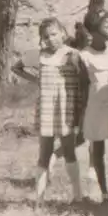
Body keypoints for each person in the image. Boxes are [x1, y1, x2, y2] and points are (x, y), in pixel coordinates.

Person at [13, 18, 87, 203]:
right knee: (44, 152)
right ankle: (39, 198)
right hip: (46, 108)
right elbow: (16, 67)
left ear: (63, 33)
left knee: (69, 150)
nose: (51, 39)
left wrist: (81, 108)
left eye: (54, 34)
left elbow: (83, 82)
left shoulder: (73, 54)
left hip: (66, 108)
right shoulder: (39, 55)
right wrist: (35, 79)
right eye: (46, 36)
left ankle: (77, 195)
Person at [79, 8, 108, 206]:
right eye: (106, 24)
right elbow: (82, 86)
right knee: (98, 149)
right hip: (97, 107)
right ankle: (104, 192)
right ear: (93, 31)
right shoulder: (84, 56)